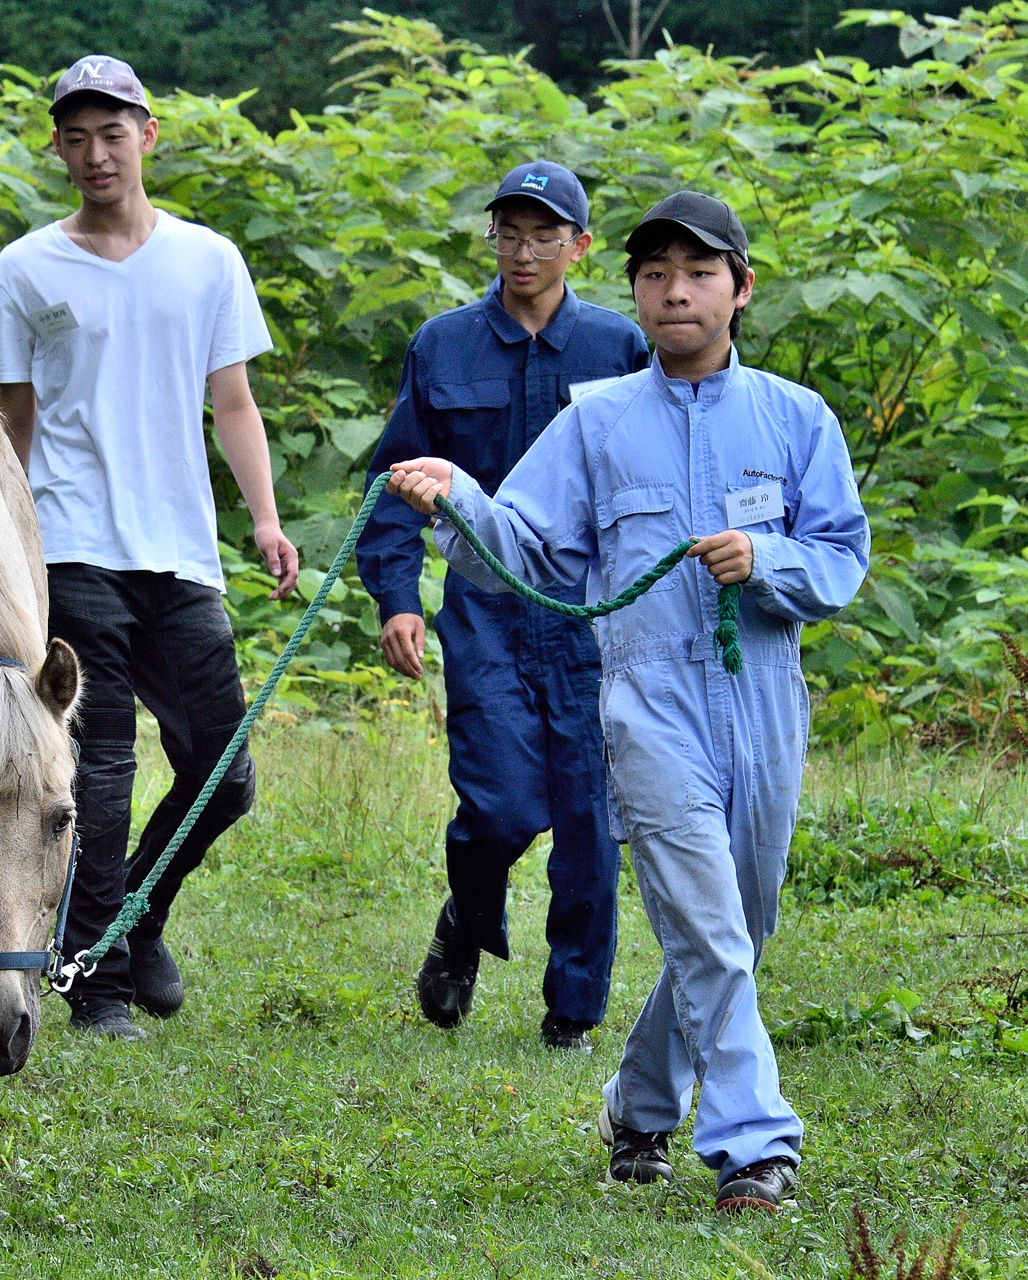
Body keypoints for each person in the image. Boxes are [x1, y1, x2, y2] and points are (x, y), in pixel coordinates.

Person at [385, 191, 869, 1212]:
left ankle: (640, 1106)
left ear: (741, 288)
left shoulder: (797, 417)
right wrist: (457, 498)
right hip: (647, 704)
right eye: (654, 275)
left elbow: (839, 557)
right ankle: (754, 1146)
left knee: (737, 926)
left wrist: (769, 559)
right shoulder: (595, 420)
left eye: (698, 273)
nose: (674, 292)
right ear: (636, 292)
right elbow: (523, 548)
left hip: (764, 700)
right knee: (709, 926)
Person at [0, 55, 299, 1042]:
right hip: (72, 542)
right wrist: (2, 543)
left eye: (112, 133)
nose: (96, 154)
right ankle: (99, 984)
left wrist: (265, 518)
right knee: (104, 768)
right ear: (57, 147)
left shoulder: (208, 260)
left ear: (147, 136)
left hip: (180, 550)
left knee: (223, 769)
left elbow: (233, 401)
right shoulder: (25, 268)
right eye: (76, 137)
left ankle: (139, 912)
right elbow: (15, 418)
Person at [356, 162, 648, 1052]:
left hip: (589, 614)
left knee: (590, 818)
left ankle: (573, 1012)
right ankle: (467, 919)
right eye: (508, 233)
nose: (523, 252)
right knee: (502, 805)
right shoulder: (444, 345)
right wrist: (398, 598)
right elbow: (396, 475)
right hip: (484, 609)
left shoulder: (619, 348)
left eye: (543, 236)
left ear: (579, 246)